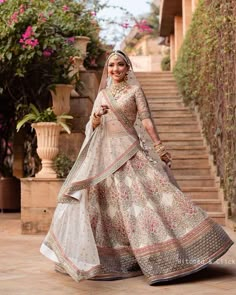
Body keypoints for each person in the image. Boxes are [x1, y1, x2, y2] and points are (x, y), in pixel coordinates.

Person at [40, 50, 233, 285]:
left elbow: (146, 120)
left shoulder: (135, 91)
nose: (115, 69)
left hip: (130, 154)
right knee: (107, 212)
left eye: (120, 65)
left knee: (145, 206)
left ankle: (163, 256)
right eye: (111, 65)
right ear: (107, 69)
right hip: (104, 160)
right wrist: (97, 117)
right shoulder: (102, 94)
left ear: (127, 68)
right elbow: (92, 126)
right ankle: (113, 259)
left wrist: (159, 146)